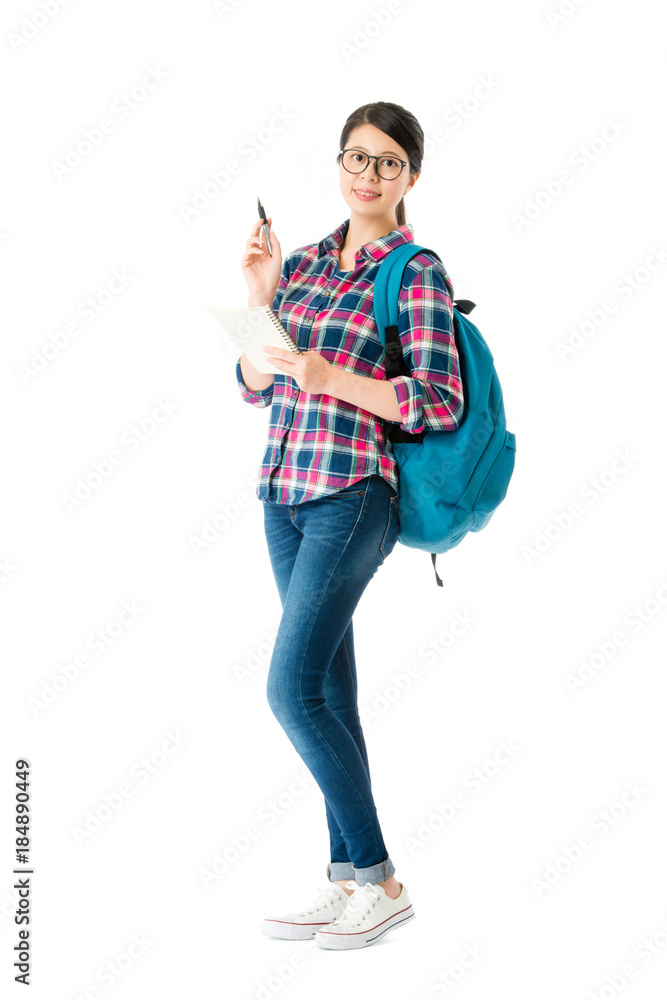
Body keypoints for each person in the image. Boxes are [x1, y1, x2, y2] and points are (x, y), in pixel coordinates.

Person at [236, 101, 464, 950]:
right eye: (355, 158)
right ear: (338, 163)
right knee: (329, 692)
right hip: (282, 492)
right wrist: (260, 301)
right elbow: (256, 386)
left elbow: (438, 401)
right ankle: (345, 882)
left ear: (410, 176)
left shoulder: (414, 271)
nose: (367, 176)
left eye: (387, 163)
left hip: (352, 493)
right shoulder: (298, 265)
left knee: (286, 690)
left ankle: (379, 878)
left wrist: (337, 376)